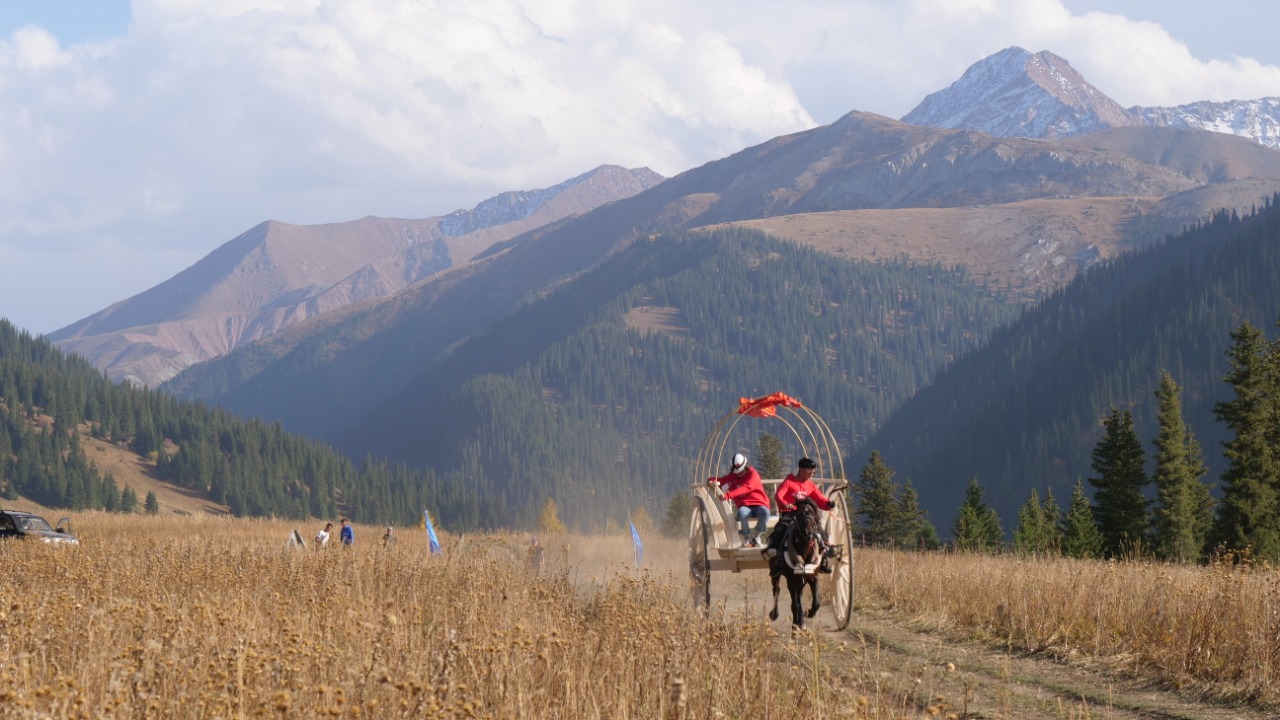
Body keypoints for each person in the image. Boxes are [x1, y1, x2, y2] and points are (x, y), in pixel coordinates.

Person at [764, 457, 835, 572]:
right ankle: (776, 559)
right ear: (801, 470)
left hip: (806, 515)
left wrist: (828, 504)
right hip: (790, 514)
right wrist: (785, 504)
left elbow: (820, 499)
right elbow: (779, 495)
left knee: (821, 533)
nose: (812, 473)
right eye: (809, 471)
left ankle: (823, 561)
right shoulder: (789, 482)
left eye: (813, 471)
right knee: (780, 530)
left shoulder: (810, 485)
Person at [708, 452, 771, 547]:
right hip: (745, 506)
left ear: (745, 466)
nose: (739, 474)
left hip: (759, 504)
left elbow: (747, 487)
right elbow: (722, 481)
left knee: (765, 512)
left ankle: (757, 537)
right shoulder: (733, 476)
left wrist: (728, 495)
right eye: (737, 472)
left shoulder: (753, 474)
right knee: (741, 513)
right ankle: (747, 539)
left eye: (740, 472)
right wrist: (710, 480)